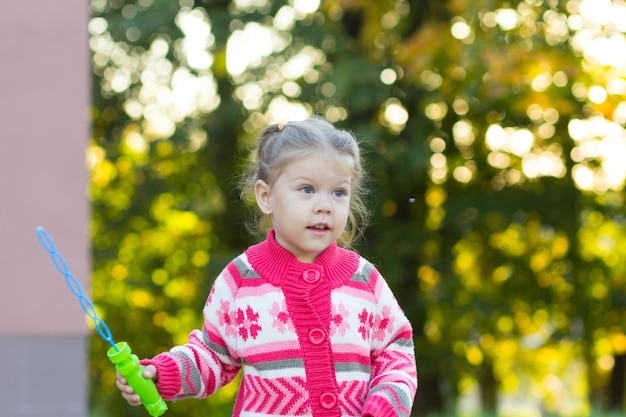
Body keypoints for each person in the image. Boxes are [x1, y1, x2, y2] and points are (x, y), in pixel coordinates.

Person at [116, 117, 418, 417]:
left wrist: (384, 408)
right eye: (307, 189)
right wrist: (162, 373)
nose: (325, 205)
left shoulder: (364, 280)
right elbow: (212, 356)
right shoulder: (240, 280)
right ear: (266, 196)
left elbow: (397, 353)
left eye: (338, 192)